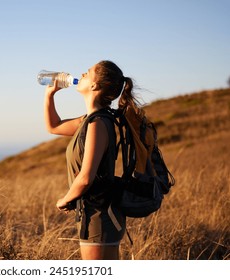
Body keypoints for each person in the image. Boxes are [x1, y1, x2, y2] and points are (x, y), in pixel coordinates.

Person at [43, 60, 140, 260]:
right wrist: (49, 95)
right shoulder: (89, 119)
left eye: (87, 73)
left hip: (100, 216)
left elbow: (86, 177)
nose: (82, 74)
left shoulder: (98, 123)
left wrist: (65, 199)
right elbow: (54, 126)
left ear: (94, 86)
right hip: (93, 213)